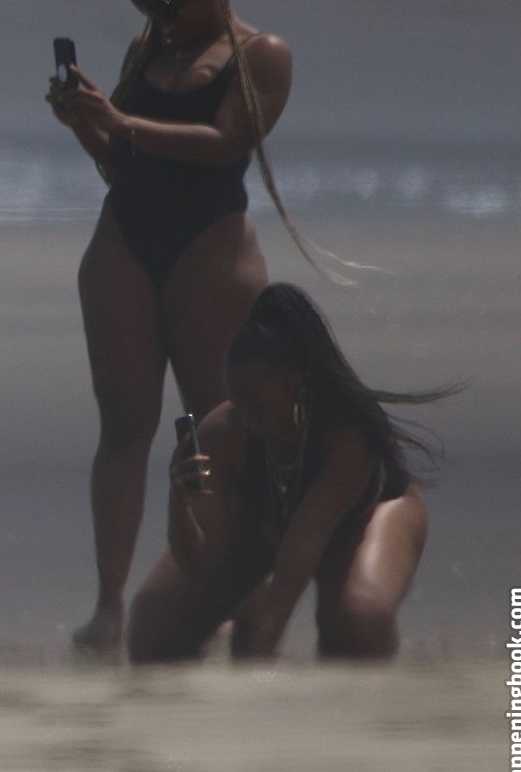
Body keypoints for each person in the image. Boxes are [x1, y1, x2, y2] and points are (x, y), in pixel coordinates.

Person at [48, 0, 341, 653]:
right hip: (125, 238)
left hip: (209, 248)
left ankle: (231, 592)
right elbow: (122, 161)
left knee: (220, 427)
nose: (159, 16)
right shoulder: (147, 50)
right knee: (124, 428)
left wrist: (119, 121)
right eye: (145, 1)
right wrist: (86, 123)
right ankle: (109, 606)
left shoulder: (261, 54)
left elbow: (223, 142)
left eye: (171, 1)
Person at [126, 283, 453, 662]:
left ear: (294, 384)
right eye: (239, 405)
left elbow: (306, 540)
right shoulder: (223, 432)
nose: (249, 421)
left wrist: (263, 652)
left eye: (259, 407)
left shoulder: (346, 434)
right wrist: (178, 503)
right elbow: (206, 563)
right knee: (152, 631)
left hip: (364, 518)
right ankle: (251, 604)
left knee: (357, 624)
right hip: (268, 527)